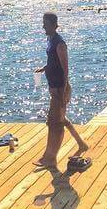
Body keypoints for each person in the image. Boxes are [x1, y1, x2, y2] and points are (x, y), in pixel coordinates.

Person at [34, 12, 88, 168]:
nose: (43, 26)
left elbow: (65, 69)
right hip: (54, 88)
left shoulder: (59, 43)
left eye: (45, 23)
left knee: (54, 123)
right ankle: (81, 144)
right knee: (60, 119)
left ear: (52, 24)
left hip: (60, 89)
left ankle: (50, 157)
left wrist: (64, 92)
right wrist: (44, 68)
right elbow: (53, 62)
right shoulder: (50, 40)